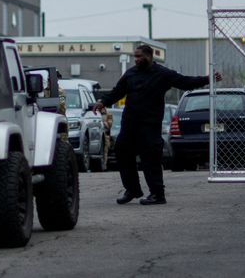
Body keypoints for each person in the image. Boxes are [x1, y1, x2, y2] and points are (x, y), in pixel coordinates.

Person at [93, 44, 221, 206]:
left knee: (150, 158)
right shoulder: (130, 74)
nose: (137, 59)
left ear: (149, 56)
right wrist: (102, 102)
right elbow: (117, 92)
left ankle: (157, 194)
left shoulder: (162, 74)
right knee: (122, 152)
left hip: (150, 125)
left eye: (140, 57)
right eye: (135, 57)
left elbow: (185, 82)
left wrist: (207, 79)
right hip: (130, 124)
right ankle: (132, 189)